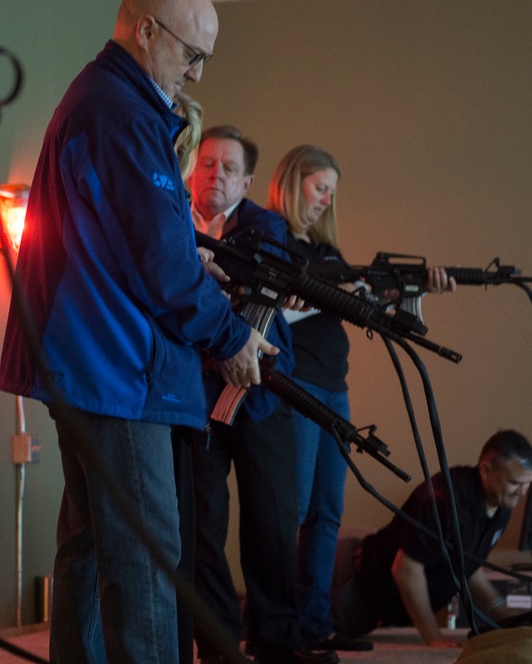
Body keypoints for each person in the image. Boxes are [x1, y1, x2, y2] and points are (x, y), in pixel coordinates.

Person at [0, 0, 277, 664]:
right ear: (146, 30)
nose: (198, 70)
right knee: (147, 552)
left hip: (92, 365)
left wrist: (191, 263)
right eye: (191, 52)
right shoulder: (122, 111)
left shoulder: (108, 101)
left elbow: (129, 238)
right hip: (118, 371)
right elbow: (154, 256)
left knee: (91, 546)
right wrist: (228, 333)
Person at [265, 144, 455, 652]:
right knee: (297, 507)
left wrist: (408, 295)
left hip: (333, 384)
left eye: (331, 190)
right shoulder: (273, 236)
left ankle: (316, 623)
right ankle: (282, 629)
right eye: (319, 186)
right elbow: (273, 310)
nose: (327, 199)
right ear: (291, 182)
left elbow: (368, 307)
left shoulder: (326, 251)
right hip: (295, 380)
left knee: (327, 510)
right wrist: (342, 293)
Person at [187, 126, 335, 664]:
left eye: (228, 168)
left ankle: (276, 641)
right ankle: (221, 646)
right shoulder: (173, 220)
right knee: (203, 527)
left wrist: (201, 277)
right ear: (191, 170)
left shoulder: (266, 225)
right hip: (196, 400)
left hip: (260, 394)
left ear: (247, 181)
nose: (215, 175)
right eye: (207, 164)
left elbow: (258, 280)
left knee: (272, 521)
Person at [331, 429, 532, 646]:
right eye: (516, 483)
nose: (522, 492)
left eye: (527, 484)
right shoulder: (444, 499)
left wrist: (509, 617)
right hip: (347, 583)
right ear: (486, 470)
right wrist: (434, 637)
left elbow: (467, 567)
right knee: (305, 644)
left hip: (371, 607)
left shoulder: (501, 507)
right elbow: (405, 570)